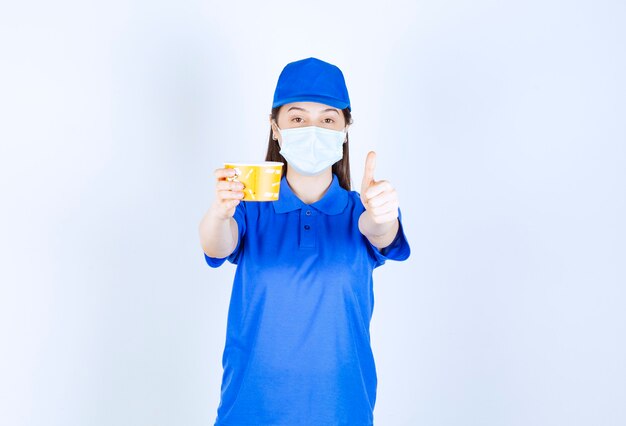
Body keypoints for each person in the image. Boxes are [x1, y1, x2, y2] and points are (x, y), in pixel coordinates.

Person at [198, 57, 411, 426]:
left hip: (342, 412)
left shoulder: (362, 211)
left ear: (345, 129)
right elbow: (217, 245)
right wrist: (219, 212)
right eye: (297, 118)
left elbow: (380, 232)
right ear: (275, 128)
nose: (313, 129)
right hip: (250, 412)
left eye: (328, 119)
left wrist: (382, 216)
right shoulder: (250, 210)